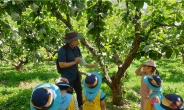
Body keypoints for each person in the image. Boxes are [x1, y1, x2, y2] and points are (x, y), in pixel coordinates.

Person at [57, 31, 95, 110]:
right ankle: (69, 107)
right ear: (70, 41)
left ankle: (80, 106)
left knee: (79, 91)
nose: (77, 41)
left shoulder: (76, 48)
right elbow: (62, 64)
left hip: (75, 75)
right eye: (76, 40)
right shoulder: (63, 50)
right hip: (67, 77)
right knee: (69, 94)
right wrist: (74, 62)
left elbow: (80, 59)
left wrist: (88, 65)